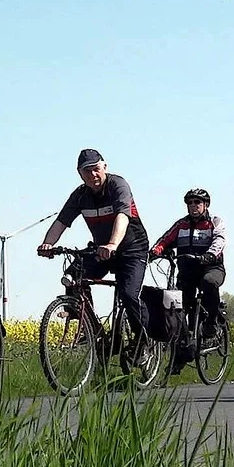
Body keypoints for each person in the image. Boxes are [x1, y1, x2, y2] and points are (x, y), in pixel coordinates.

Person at [38, 149, 153, 366]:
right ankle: (93, 331)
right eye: (87, 171)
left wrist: (112, 244)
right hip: (102, 249)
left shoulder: (118, 186)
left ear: (105, 168)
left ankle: (142, 343)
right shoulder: (80, 195)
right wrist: (48, 244)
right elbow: (61, 221)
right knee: (73, 277)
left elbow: (122, 216)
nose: (93, 175)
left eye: (96, 169)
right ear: (80, 174)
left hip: (131, 249)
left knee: (129, 295)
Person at [150, 188, 226, 338]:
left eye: (197, 202)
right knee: (179, 304)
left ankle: (212, 320)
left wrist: (209, 255)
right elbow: (165, 240)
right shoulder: (181, 224)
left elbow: (220, 240)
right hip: (188, 271)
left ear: (206, 204)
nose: (193, 205)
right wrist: (156, 251)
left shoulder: (214, 222)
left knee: (209, 282)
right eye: (189, 203)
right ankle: (184, 344)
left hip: (211, 267)